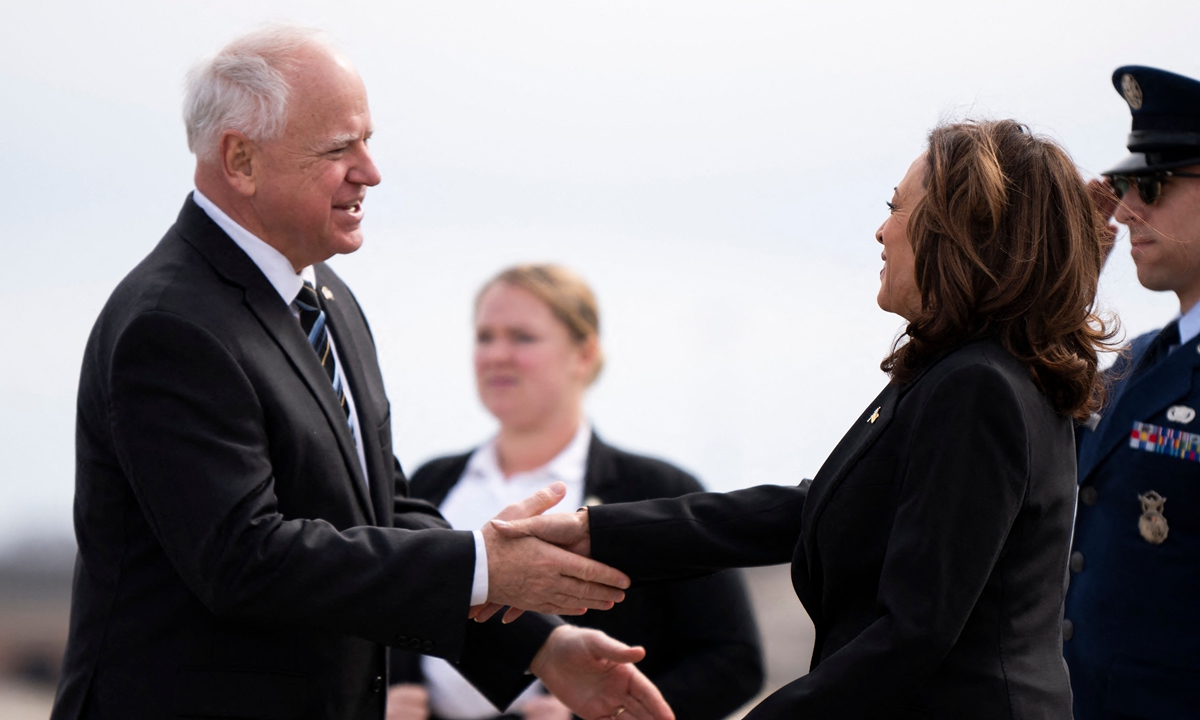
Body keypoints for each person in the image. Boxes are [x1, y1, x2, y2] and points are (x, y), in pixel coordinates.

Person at [52, 26, 673, 720]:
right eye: (338, 148)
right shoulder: (170, 325)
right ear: (241, 159)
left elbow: (381, 513)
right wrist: (484, 567)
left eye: (367, 141)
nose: (371, 171)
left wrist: (539, 646)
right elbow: (245, 559)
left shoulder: (328, 300)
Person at [494, 120, 1114, 719]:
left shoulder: (977, 385)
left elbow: (914, 633)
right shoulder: (964, 374)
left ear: (961, 232)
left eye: (897, 209)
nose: (880, 232)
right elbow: (815, 509)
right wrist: (598, 532)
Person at [386, 265, 764, 720]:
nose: (497, 354)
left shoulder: (655, 491)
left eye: (522, 337)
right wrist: (391, 694)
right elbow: (389, 608)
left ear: (583, 354)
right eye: (485, 337)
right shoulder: (429, 483)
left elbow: (733, 661)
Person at [1065, 65, 1200, 720]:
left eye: (1150, 185)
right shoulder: (1136, 361)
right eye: (1122, 185)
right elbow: (1027, 444)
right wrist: (1067, 289)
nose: (1123, 211)